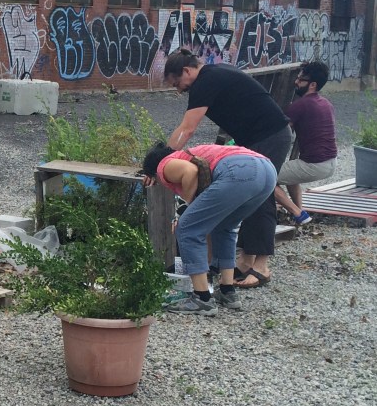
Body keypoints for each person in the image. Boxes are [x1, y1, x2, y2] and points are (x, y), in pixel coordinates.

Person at [164, 48, 294, 290]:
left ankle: (261, 265)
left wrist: (164, 157)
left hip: (270, 135)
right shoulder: (215, 73)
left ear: (186, 70)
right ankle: (242, 261)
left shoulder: (206, 81)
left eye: (178, 83)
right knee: (251, 194)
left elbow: (188, 128)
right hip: (259, 137)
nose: (179, 90)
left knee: (261, 194)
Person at [141, 142, 277, 315]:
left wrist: (186, 211)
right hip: (266, 171)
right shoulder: (191, 153)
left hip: (240, 171)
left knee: (187, 228)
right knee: (224, 226)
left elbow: (190, 171)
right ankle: (228, 292)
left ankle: (202, 298)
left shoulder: (164, 165)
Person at [275, 61, 337, 225]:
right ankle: (299, 215)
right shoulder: (326, 103)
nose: (296, 82)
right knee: (292, 172)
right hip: (331, 162)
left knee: (265, 177)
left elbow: (278, 133)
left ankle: (297, 213)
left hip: (314, 165)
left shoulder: (299, 105)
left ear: (312, 84)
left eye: (301, 80)